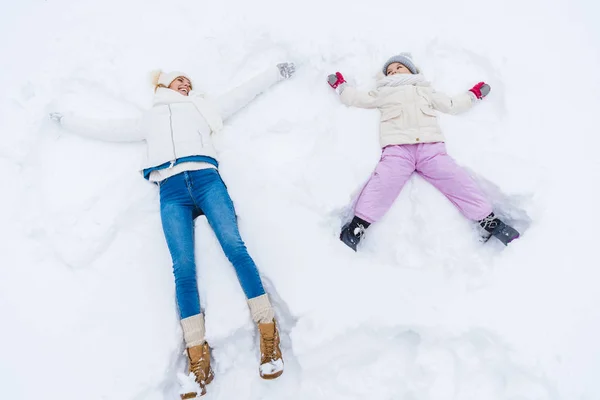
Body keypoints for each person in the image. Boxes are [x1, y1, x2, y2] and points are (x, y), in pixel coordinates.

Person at [49, 62, 296, 398]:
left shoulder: (200, 107)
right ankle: (198, 359)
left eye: (188, 82)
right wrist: (68, 121)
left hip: (207, 180)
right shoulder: (148, 119)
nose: (186, 85)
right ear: (163, 86)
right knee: (183, 270)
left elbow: (242, 95)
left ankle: (269, 334)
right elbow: (108, 128)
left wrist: (275, 72)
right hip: (171, 191)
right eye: (180, 80)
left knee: (235, 249)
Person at [326, 53, 519, 251]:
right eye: (389, 71)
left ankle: (490, 222)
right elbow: (357, 98)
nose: (394, 72)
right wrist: (341, 86)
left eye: (398, 68)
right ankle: (358, 227)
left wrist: (473, 95)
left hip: (431, 149)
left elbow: (452, 105)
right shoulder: (383, 92)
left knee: (457, 181)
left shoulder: (425, 90)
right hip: (398, 149)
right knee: (383, 183)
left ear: (411, 69)